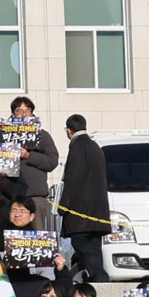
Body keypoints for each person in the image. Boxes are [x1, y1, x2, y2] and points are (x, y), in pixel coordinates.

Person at [59, 115, 110, 281]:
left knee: (81, 242)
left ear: (69, 130)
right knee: (94, 246)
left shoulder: (77, 147)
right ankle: (95, 277)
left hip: (81, 210)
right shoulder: (95, 146)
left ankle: (98, 276)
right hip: (98, 209)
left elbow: (72, 180)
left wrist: (64, 206)